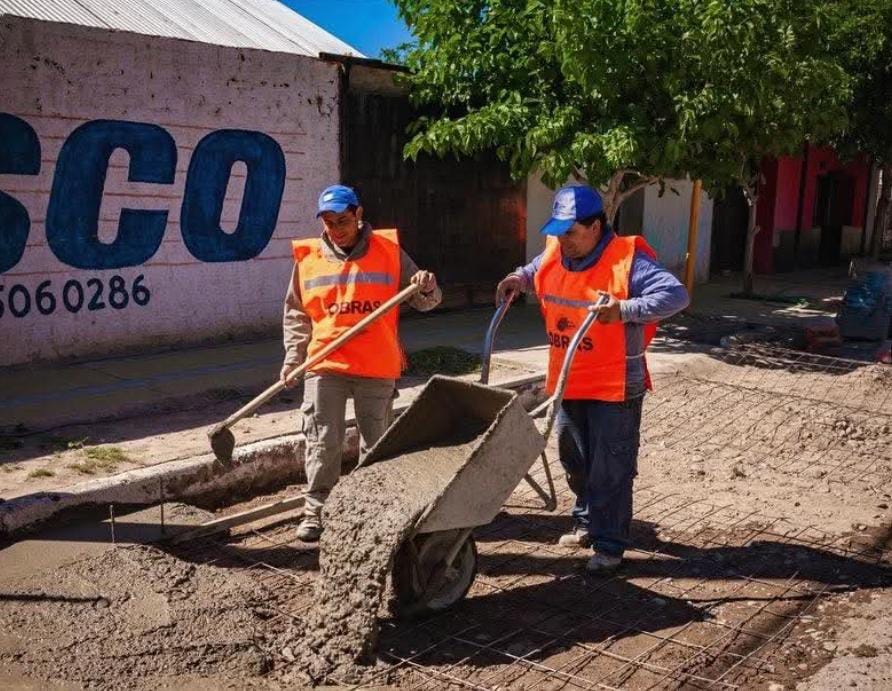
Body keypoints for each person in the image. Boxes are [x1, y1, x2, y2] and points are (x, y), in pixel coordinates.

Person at [496, 184, 689, 572]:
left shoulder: (628, 260)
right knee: (575, 459)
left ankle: (610, 543)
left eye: (571, 232)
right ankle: (586, 522)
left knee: (610, 467)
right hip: (570, 380)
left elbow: (676, 295)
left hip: (615, 384)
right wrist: (518, 278)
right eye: (558, 231)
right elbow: (536, 270)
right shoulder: (555, 252)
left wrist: (624, 308)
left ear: (597, 226)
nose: (562, 240)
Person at [282, 184, 442, 542]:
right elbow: (296, 313)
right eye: (328, 222)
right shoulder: (307, 259)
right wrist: (294, 357)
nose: (336, 229)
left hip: (376, 366)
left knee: (377, 444)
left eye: (342, 220)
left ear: (358, 214)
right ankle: (316, 511)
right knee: (323, 442)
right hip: (325, 364)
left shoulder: (389, 252)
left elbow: (427, 302)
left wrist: (426, 286)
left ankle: (376, 509)